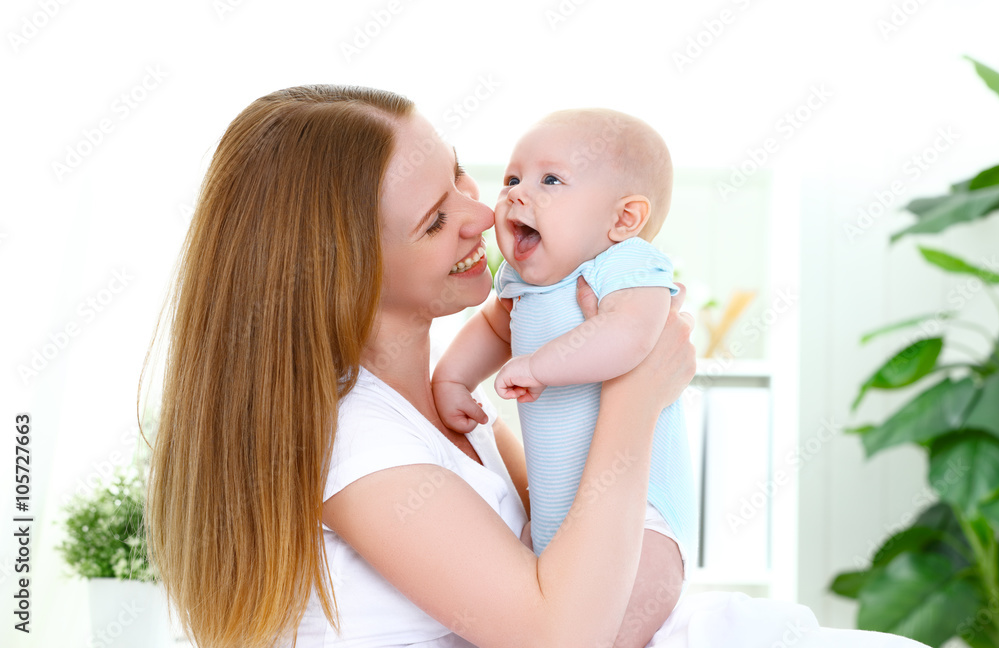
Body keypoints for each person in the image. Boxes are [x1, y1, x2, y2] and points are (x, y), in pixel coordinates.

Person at [143, 85, 697, 648]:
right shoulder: (357, 441)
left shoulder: (448, 411)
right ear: (345, 274)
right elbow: (562, 637)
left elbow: (595, 547)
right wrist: (637, 389)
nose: (484, 213)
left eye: (458, 175)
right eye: (435, 219)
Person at [431, 108, 696, 647]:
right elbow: (492, 325)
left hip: (639, 522)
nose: (515, 195)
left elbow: (633, 335)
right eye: (512, 179)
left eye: (550, 180)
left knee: (611, 628)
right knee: (548, 613)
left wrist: (541, 366)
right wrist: (453, 380)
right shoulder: (518, 281)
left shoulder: (624, 264)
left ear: (623, 220)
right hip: (556, 520)